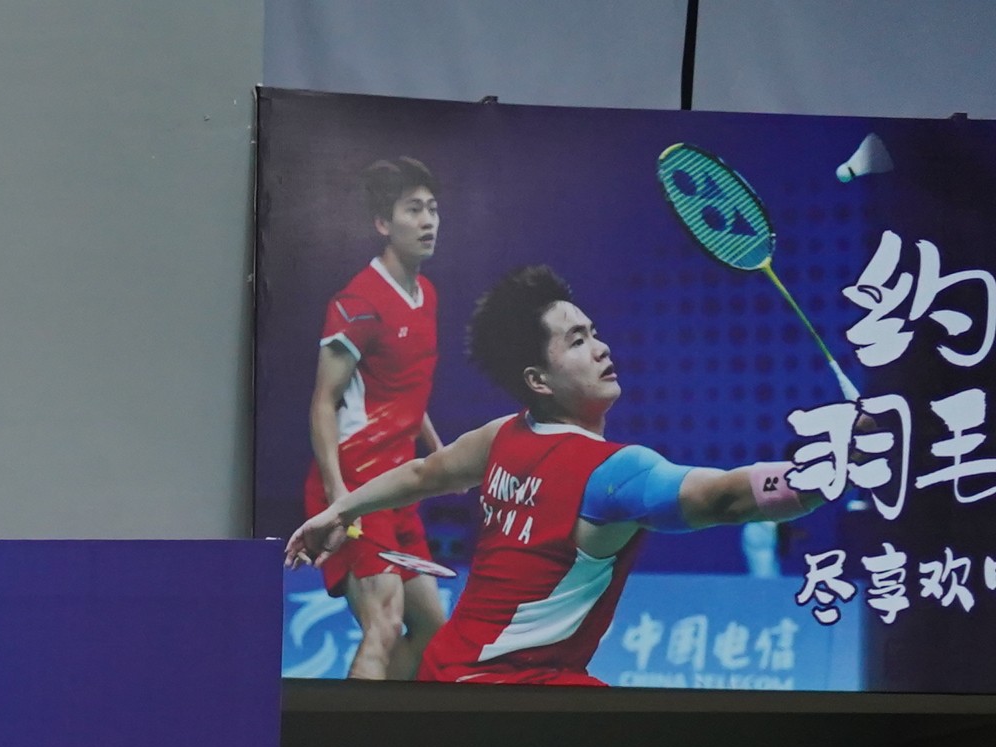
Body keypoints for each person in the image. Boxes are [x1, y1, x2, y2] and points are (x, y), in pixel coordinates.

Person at [288, 264, 811, 688]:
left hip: (446, 675)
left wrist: (338, 510)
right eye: (578, 341)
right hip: (514, 696)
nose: (602, 348)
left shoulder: (504, 436)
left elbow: (425, 473)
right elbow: (723, 499)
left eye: (594, 334)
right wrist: (822, 474)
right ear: (538, 380)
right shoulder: (613, 472)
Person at [302, 156, 451, 681]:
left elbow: (406, 393)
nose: (428, 221)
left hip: (398, 489)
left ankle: (387, 717)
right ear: (383, 223)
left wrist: (441, 456)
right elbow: (323, 402)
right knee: (383, 625)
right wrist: (338, 498)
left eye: (433, 209)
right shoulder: (357, 302)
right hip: (355, 486)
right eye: (413, 210)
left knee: (433, 632)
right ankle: (349, 727)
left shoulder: (427, 295)